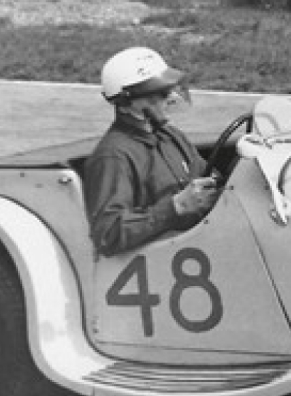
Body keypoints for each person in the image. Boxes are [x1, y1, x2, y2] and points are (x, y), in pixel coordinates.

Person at [83, 48, 220, 257]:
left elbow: (211, 179)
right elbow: (107, 234)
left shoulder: (171, 136)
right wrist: (176, 207)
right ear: (129, 100)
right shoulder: (114, 156)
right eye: (162, 92)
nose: (172, 98)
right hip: (163, 260)